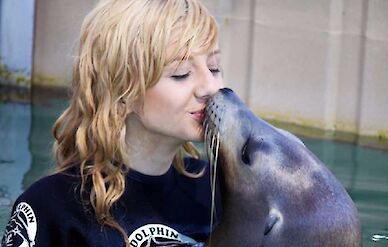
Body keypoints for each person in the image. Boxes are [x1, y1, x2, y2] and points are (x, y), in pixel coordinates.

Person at [1, 0, 224, 246]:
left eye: (213, 68)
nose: (212, 88)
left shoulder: (217, 190)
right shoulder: (51, 209)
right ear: (122, 92)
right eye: (181, 73)